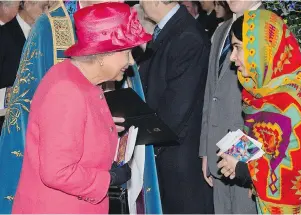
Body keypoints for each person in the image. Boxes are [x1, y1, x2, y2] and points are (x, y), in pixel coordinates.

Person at [11, 2, 152, 213]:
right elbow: (57, 172)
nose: (131, 62)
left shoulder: (79, 79)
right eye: (127, 53)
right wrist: (108, 178)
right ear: (104, 53)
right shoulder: (67, 91)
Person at [218, 9, 301, 214]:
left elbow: (293, 177)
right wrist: (239, 153)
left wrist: (242, 168)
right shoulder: (265, 91)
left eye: (238, 48)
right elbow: (268, 143)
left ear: (260, 48)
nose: (232, 58)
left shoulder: (291, 103)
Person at [139, 0, 213, 213]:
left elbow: (177, 107)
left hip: (179, 159)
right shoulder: (169, 29)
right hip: (165, 150)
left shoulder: (186, 36)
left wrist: (145, 137)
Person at [199, 0, 261, 214]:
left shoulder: (267, 29)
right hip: (217, 150)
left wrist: (249, 166)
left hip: (248, 154)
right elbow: (210, 93)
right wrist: (206, 151)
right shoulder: (221, 30)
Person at [0, 1, 49, 89]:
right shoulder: (2, 35)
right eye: (44, 7)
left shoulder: (46, 34)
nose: (47, 12)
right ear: (27, 5)